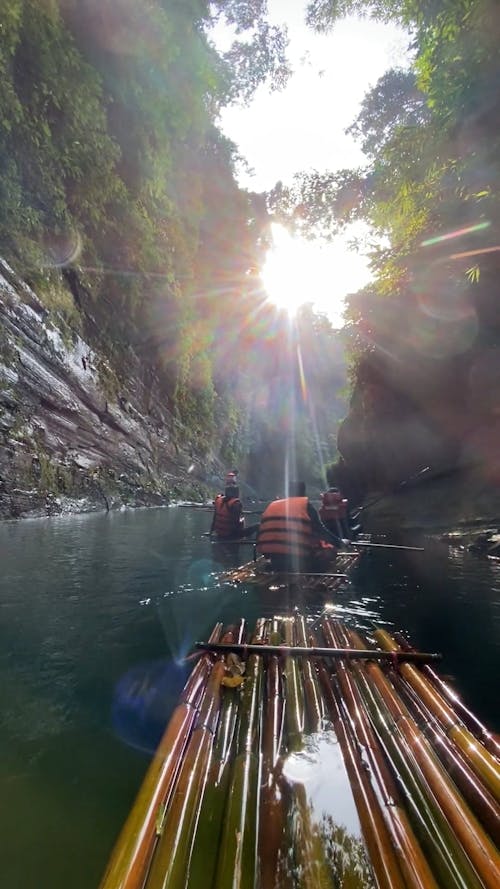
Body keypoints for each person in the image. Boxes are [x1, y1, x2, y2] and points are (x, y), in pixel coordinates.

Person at [256, 481, 349, 572]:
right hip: (299, 562)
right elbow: (321, 531)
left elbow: (261, 532)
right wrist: (340, 543)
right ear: (303, 493)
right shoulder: (305, 506)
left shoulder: (272, 505)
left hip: (275, 562)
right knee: (330, 554)